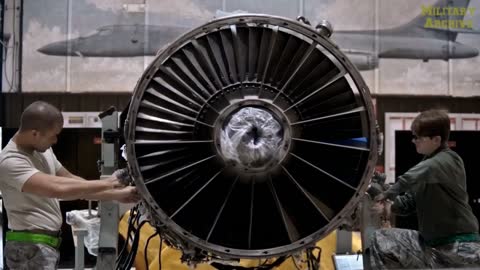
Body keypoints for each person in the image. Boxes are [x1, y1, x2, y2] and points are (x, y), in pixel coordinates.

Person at [0, 101, 141, 270]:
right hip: (28, 249)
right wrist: (110, 183)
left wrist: (116, 194)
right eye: (53, 135)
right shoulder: (10, 161)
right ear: (35, 134)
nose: (55, 140)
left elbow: (74, 183)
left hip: (45, 245)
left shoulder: (42, 151)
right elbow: (57, 189)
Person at [368, 109, 480, 269]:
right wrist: (386, 203)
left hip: (461, 247)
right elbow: (408, 203)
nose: (414, 141)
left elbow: (415, 175)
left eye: (418, 137)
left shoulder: (449, 160)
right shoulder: (428, 168)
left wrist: (387, 193)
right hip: (434, 247)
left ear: (436, 139)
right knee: (381, 239)